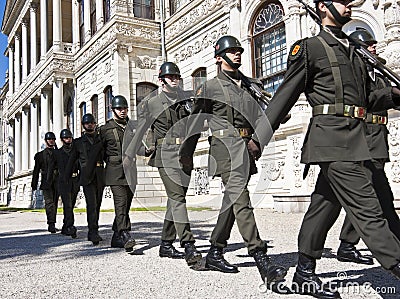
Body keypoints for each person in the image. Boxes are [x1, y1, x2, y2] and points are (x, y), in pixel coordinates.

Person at [262, 1, 400, 297]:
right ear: (323, 7)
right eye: (341, 0)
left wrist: (393, 95)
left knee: (323, 207)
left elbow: (368, 100)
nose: (348, 4)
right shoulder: (309, 47)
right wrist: (255, 142)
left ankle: (303, 274)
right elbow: (283, 97)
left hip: (357, 141)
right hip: (331, 140)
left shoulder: (354, 49)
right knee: (370, 210)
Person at [181, 35, 287, 284]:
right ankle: (262, 260)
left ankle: (215, 251)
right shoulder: (210, 87)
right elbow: (195, 122)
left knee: (232, 202)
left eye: (239, 50)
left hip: (247, 148)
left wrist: (274, 119)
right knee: (242, 201)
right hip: (224, 150)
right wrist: (185, 155)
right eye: (232, 51)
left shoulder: (248, 85)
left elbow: (258, 117)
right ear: (219, 58)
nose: (238, 54)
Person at [124, 62, 202, 265]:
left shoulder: (186, 99)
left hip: (184, 154)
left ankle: (166, 245)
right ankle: (189, 244)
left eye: (177, 77)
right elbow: (141, 129)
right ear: (161, 80)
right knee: (178, 198)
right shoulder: (152, 103)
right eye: (171, 77)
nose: (175, 80)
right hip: (165, 154)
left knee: (176, 199)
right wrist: (130, 153)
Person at [337, 28, 400, 266]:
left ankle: (346, 244)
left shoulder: (380, 73)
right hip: (363, 137)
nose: (373, 48)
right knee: (375, 195)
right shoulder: (357, 71)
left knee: (373, 194)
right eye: (369, 45)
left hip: (378, 137)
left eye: (374, 44)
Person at [99, 95, 136, 252]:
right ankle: (125, 233)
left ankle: (116, 237)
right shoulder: (105, 129)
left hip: (131, 171)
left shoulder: (132, 126)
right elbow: (98, 152)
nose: (122, 111)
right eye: (119, 108)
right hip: (115, 171)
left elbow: (138, 145)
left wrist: (149, 150)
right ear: (112, 110)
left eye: (125, 108)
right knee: (120, 203)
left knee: (126, 205)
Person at [67, 114, 105, 245]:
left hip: (99, 175)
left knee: (98, 204)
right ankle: (92, 232)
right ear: (83, 125)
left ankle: (95, 230)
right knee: (91, 204)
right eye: (87, 123)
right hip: (87, 175)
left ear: (95, 124)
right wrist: (67, 177)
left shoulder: (101, 140)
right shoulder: (78, 142)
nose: (90, 125)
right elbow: (72, 160)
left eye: (92, 123)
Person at [50, 129, 80, 239]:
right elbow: (51, 168)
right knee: (67, 204)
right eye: (66, 138)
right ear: (62, 139)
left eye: (70, 137)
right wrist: (48, 182)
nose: (68, 140)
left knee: (71, 204)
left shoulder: (76, 152)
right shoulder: (57, 153)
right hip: (63, 181)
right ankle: (70, 226)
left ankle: (65, 225)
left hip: (75, 180)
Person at [31, 132, 59, 233]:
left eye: (53, 139)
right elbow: (36, 170)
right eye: (49, 139)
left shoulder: (58, 153)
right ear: (46, 141)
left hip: (57, 181)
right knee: (49, 203)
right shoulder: (40, 155)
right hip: (46, 180)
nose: (51, 140)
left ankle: (53, 222)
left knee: (55, 203)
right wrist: (34, 184)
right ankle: (51, 224)